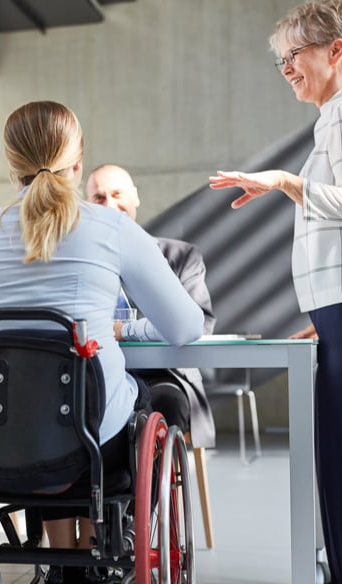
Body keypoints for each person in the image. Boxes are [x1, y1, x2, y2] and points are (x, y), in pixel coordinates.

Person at [0, 101, 203, 584]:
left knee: (40, 406)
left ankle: (62, 558)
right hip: (94, 443)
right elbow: (187, 326)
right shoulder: (112, 228)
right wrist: (121, 329)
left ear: (10, 164)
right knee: (130, 399)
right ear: (78, 161)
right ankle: (97, 545)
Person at [208, 1, 342, 582]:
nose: (288, 69)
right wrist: (329, 314)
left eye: (293, 55)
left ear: (334, 50)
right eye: (281, 62)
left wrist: (285, 181)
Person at [85, 163, 217, 448]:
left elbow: (201, 323)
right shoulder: (84, 262)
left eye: (117, 194)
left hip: (163, 374)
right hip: (98, 373)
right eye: (98, 198)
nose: (109, 204)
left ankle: (150, 491)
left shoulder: (181, 256)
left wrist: (125, 330)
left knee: (164, 403)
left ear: (135, 197)